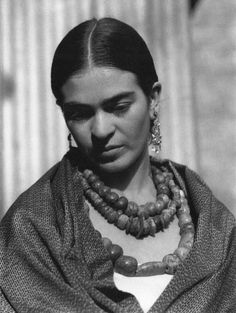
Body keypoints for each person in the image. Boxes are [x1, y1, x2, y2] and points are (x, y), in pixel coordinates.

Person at [0, 17, 235, 313]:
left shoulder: (214, 229)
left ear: (152, 99)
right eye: (79, 113)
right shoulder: (33, 231)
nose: (100, 130)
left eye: (118, 107)